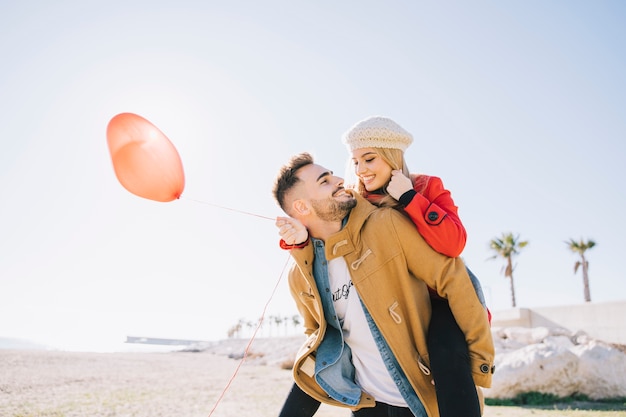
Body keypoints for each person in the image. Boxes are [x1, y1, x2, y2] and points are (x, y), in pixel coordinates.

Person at [277, 116, 490, 417]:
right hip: (377, 373)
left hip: (437, 304)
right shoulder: (356, 195)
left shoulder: (422, 188)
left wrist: (410, 197)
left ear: (391, 155)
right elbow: (324, 222)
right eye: (355, 162)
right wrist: (299, 244)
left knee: (446, 351)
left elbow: (454, 250)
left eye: (369, 159)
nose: (356, 172)